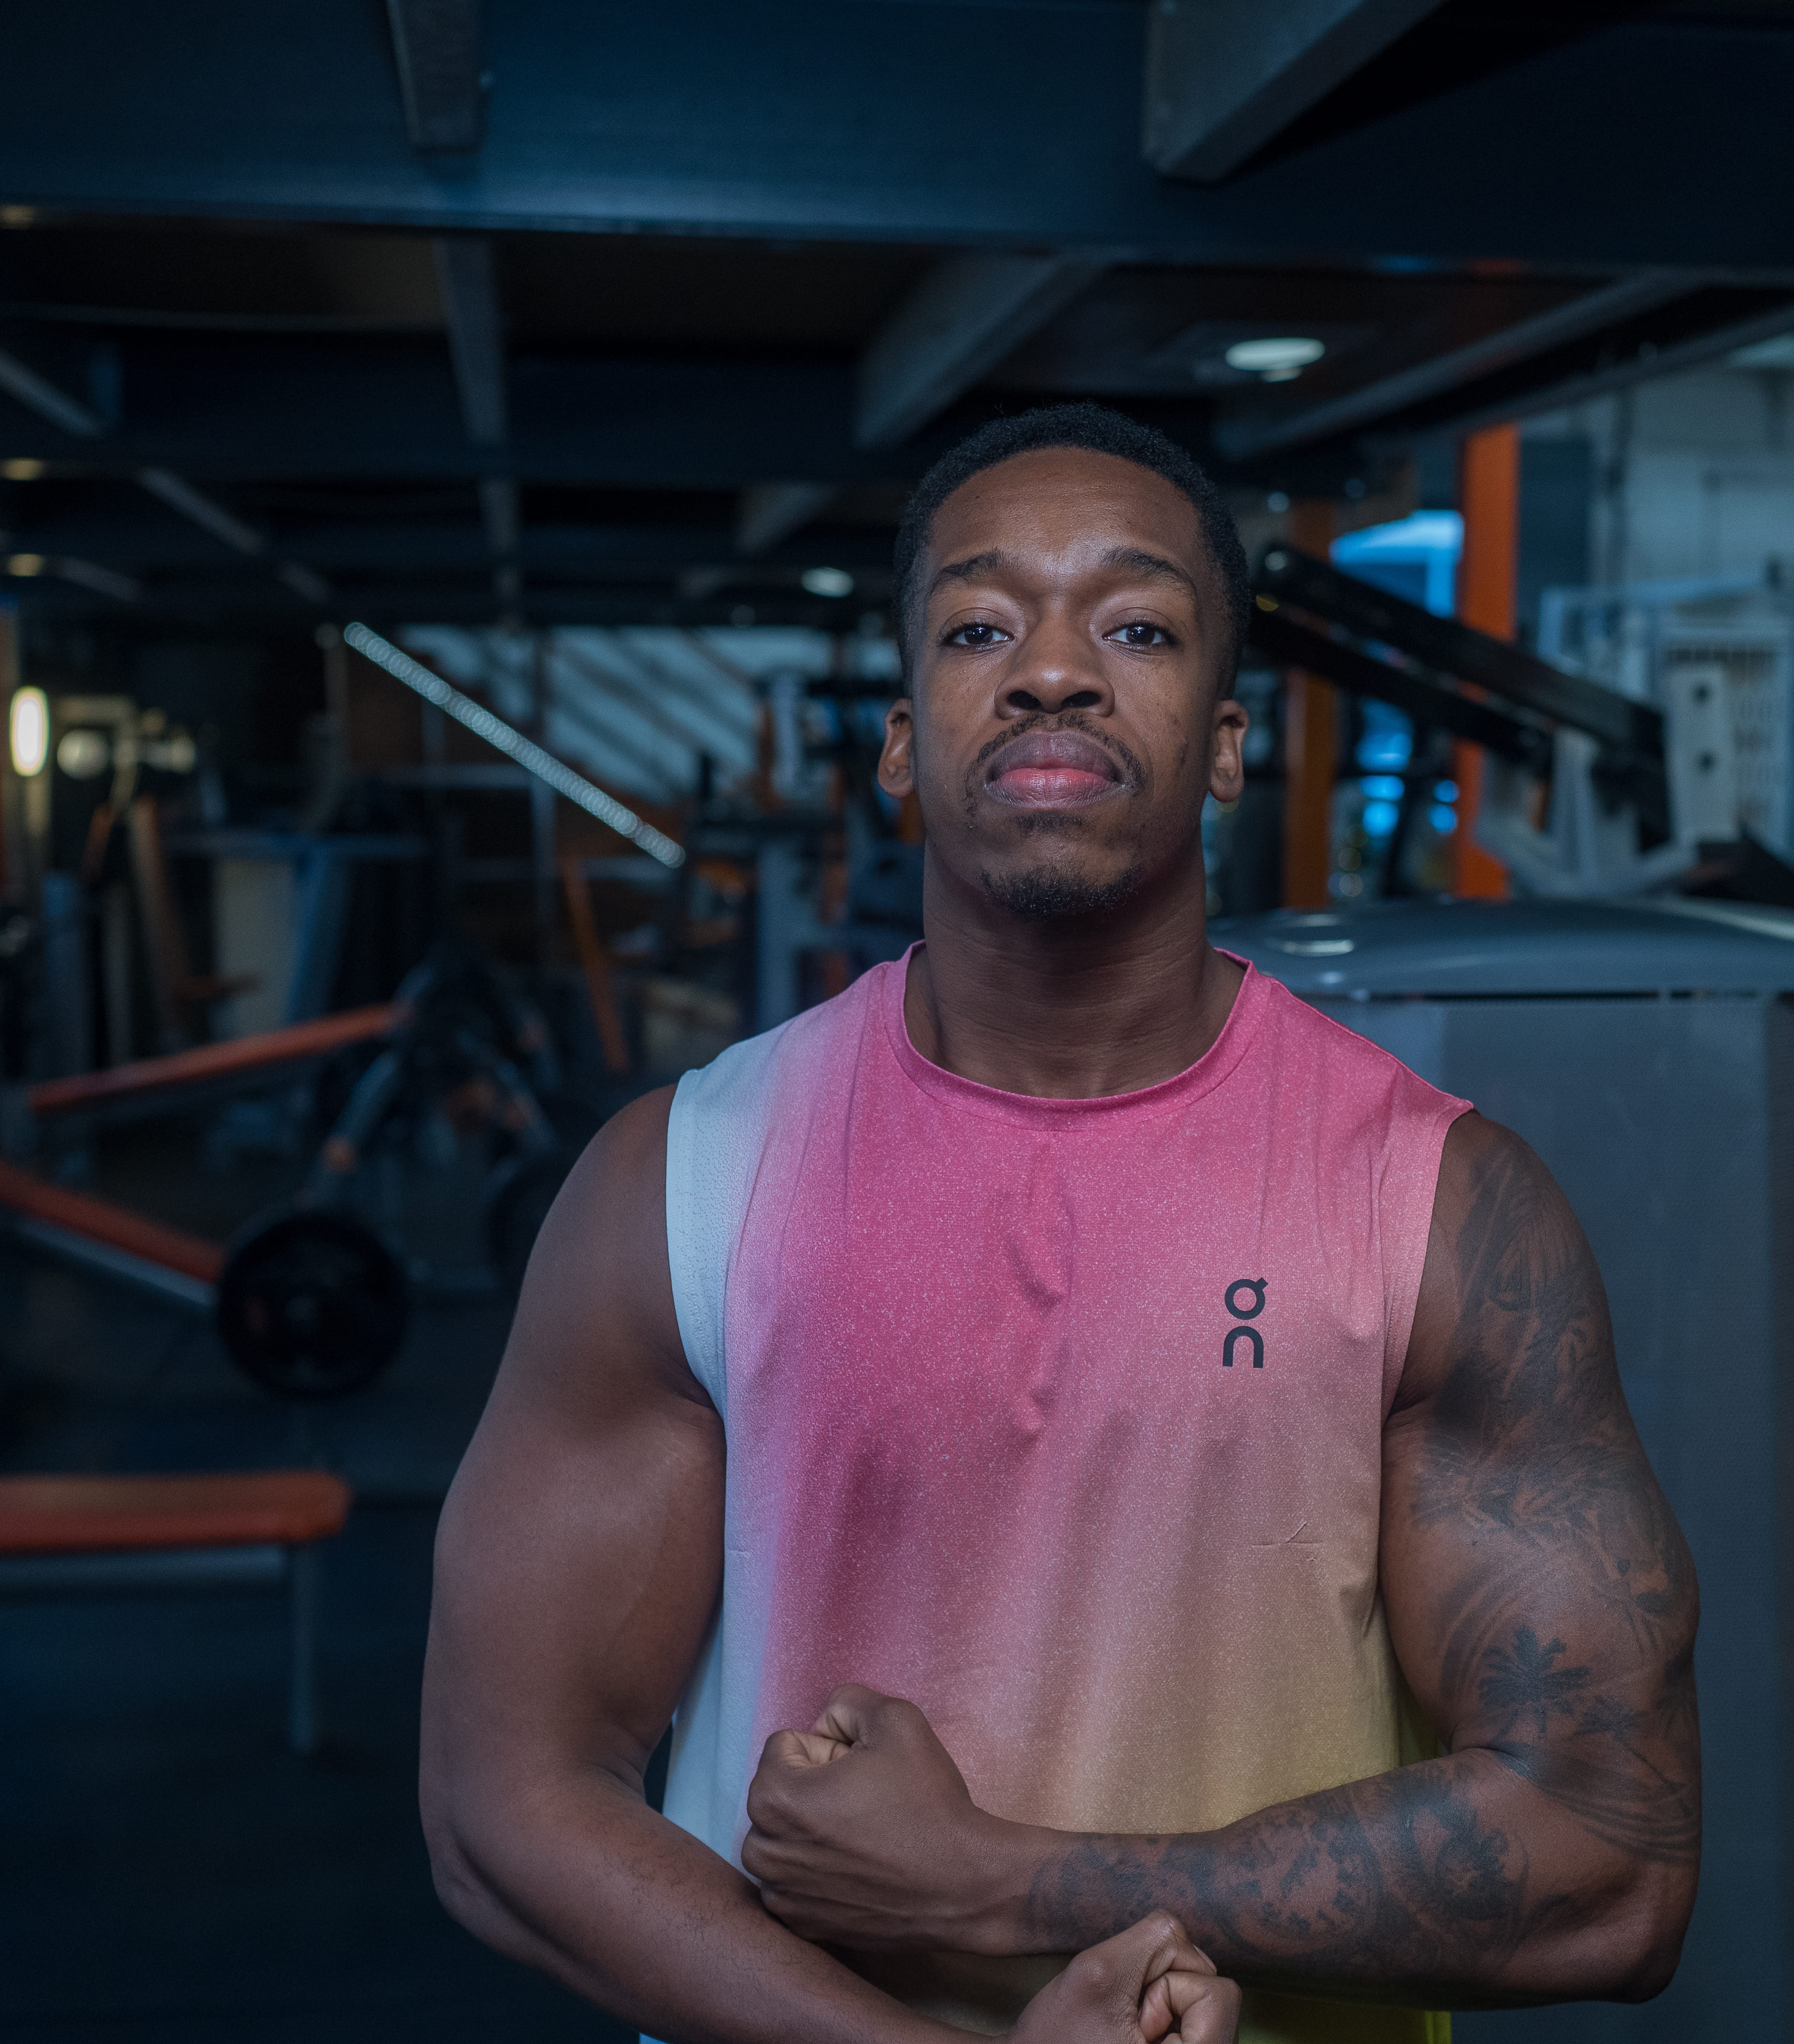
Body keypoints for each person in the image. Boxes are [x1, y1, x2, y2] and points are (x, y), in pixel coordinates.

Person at [421, 404, 1701, 2044]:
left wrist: (1000, 1883)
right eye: (979, 626)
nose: (1050, 671)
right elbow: (504, 1803)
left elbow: (1612, 1854)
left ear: (1226, 745)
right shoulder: (680, 1184)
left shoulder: (1435, 1209)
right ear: (901, 741)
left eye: (1136, 627)